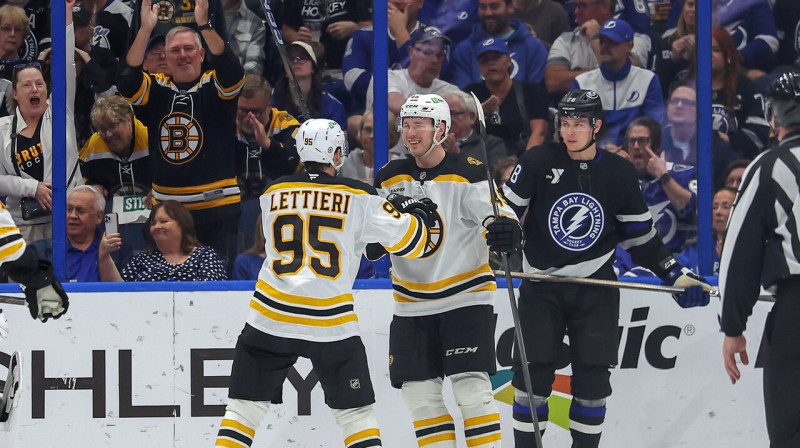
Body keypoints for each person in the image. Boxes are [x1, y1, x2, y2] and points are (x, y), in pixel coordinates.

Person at [490, 89, 710, 447]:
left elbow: (641, 238)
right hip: (541, 288)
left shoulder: (619, 172)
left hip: (596, 290)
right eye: (564, 124)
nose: (570, 132)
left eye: (578, 124)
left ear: (596, 126)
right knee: (532, 380)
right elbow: (504, 210)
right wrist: (501, 227)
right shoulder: (536, 162)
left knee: (592, 384)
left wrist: (675, 273)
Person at [214, 119, 437, 448]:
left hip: (271, 316)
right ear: (336, 154)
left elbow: (313, 201)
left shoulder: (272, 192)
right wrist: (409, 211)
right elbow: (415, 244)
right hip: (330, 321)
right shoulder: (359, 195)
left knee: (243, 411)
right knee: (356, 416)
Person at [374, 94, 515, 448]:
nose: (410, 132)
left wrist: (505, 229)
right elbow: (375, 237)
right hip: (410, 304)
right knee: (420, 398)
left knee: (471, 391)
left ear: (441, 128)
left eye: (418, 124)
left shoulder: (468, 170)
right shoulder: (389, 177)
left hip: (464, 298)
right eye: (405, 124)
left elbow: (500, 216)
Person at [118, 0, 245, 273]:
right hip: (169, 214)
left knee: (217, 289)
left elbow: (233, 70)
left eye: (189, 49)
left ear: (202, 53)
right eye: (175, 50)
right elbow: (126, 80)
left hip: (217, 210)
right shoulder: (157, 89)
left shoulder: (215, 83)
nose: (182, 55)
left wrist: (204, 26)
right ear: (166, 56)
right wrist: (145, 29)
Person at [720, 71, 800, 448]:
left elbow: (741, 249)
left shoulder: (770, 166)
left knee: (790, 431)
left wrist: (732, 326)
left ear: (773, 118)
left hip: (796, 310)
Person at [0, 1, 80, 243]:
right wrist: (31, 187)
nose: (35, 89)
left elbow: (67, 64)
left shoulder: (60, 111)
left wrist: (66, 17)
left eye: (40, 83)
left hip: (67, 219)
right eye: (27, 85)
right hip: (23, 226)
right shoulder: (2, 128)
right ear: (15, 93)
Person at [572, 18, 663, 150]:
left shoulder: (648, 80)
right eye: (602, 41)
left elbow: (652, 130)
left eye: (612, 42)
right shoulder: (581, 83)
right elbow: (577, 131)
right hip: (595, 157)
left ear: (629, 46)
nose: (604, 46)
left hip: (636, 154)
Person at [98, 200, 227, 281]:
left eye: (164, 221)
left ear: (183, 225)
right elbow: (119, 293)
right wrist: (104, 256)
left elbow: (213, 294)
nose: (157, 227)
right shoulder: (142, 259)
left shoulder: (204, 255)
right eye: (153, 223)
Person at [544, 0, 650, 95]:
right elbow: (553, 82)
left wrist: (595, 38)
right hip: (578, 112)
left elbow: (625, 74)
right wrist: (602, 74)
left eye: (582, 5)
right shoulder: (566, 40)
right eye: (575, 6)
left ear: (604, 6)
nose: (576, 11)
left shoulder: (634, 40)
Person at [465, 38, 548, 155]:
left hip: (523, 155)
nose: (491, 63)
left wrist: (525, 165)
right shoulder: (470, 94)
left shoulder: (531, 91)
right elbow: (461, 132)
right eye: (484, 60)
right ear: (479, 66)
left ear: (509, 61)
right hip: (482, 158)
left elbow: (539, 132)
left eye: (496, 57)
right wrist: (479, 116)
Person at [625, 116, 696, 253]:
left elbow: (693, 213)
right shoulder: (622, 179)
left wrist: (663, 177)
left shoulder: (684, 174)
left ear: (657, 146)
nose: (636, 147)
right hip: (629, 264)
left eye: (642, 141)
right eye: (632, 141)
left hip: (676, 259)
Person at [448, 0, 548, 89]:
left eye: (494, 6)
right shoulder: (464, 50)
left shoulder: (534, 47)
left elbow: (535, 93)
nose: (488, 13)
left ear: (510, 8)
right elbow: (465, 95)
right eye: (483, 7)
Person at [234, 74, 300, 200]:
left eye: (255, 112)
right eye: (242, 111)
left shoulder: (286, 124)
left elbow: (292, 166)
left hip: (279, 201)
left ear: (269, 107)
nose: (249, 119)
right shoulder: (227, 124)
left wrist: (267, 144)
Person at [80, 95, 151, 200]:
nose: (108, 134)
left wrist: (160, 191)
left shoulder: (151, 139)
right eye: (102, 129)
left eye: (112, 126)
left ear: (128, 121)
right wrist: (93, 189)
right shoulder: (93, 147)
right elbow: (80, 184)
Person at [273, 41, 348, 131]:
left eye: (302, 58)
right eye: (290, 59)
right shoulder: (269, 100)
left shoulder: (333, 106)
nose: (296, 61)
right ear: (285, 71)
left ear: (313, 68)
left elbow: (339, 142)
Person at [441, 90, 507, 171]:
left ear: (471, 117)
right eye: (442, 114)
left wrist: (457, 155)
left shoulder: (491, 144)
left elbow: (493, 178)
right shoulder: (432, 143)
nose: (446, 119)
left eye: (451, 113)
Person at [677, 187, 735, 275]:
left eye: (725, 207)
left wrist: (727, 259)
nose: (718, 212)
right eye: (714, 207)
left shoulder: (750, 249)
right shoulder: (693, 250)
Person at [65, 185, 105, 282]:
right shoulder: (44, 251)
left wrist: (105, 255)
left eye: (80, 211)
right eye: (69, 209)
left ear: (99, 217)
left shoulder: (115, 251)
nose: (72, 216)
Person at [220, 0, 265, 74]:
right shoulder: (201, 13)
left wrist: (235, 79)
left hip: (236, 81)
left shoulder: (255, 24)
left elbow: (254, 66)